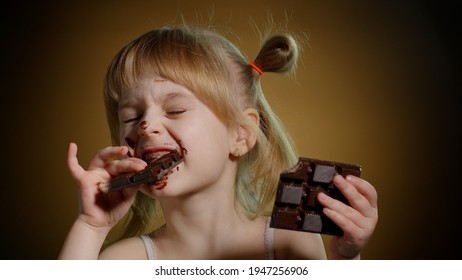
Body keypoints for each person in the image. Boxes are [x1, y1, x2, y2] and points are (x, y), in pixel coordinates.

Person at [59, 23, 378, 260]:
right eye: (131, 116)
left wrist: (345, 258)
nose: (146, 125)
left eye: (176, 109)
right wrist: (91, 227)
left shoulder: (288, 242)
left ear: (240, 135)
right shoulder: (126, 260)